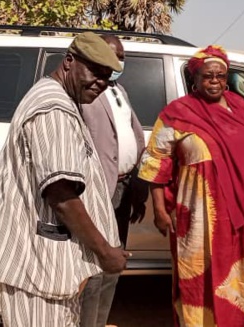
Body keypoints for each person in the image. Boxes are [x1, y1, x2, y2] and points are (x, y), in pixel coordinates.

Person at [0, 32, 129, 327]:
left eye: (107, 75)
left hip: (43, 263)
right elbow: (61, 195)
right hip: (38, 266)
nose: (101, 82)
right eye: (94, 71)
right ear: (69, 62)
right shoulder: (54, 110)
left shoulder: (58, 97)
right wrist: (104, 251)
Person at [138, 45, 244, 327]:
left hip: (237, 216)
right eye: (208, 76)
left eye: (221, 76)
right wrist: (160, 211)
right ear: (194, 79)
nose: (215, 81)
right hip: (196, 217)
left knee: (236, 280)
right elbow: (156, 162)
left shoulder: (239, 108)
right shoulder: (177, 113)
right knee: (196, 277)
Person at [78, 34, 146, 327]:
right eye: (112, 55)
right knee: (95, 266)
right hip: (97, 190)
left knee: (114, 265)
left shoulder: (120, 91)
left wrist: (138, 187)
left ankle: (99, 321)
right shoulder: (85, 91)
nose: (118, 61)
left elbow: (131, 135)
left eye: (121, 57)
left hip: (122, 188)